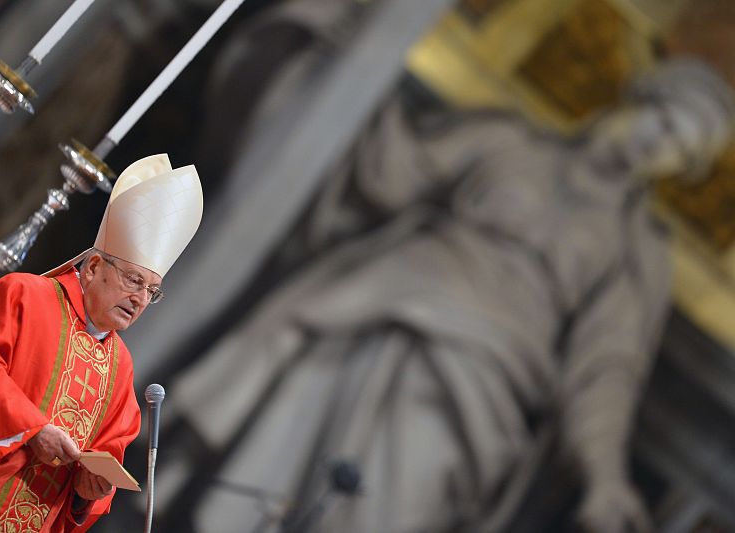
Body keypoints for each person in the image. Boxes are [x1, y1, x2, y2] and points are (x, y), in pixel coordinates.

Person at [163, 2, 735, 532]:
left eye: (676, 154)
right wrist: (358, 68)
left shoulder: (634, 249)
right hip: (374, 303)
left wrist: (604, 477)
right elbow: (392, 173)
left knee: (392, 491)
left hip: (482, 374)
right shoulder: (506, 140)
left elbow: (606, 371)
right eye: (661, 125)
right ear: (637, 99)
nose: (652, 149)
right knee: (290, 410)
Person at [0, 153, 203, 531]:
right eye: (134, 281)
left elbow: (107, 457)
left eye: (152, 292)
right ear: (94, 267)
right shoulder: (25, 296)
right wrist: (31, 429)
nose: (140, 299)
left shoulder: (120, 369)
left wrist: (88, 492)